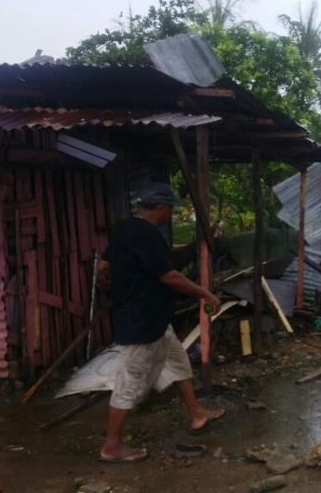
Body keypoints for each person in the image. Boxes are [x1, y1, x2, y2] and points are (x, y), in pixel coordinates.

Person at [97, 182, 225, 463]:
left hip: (152, 319)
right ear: (161, 207)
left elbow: (103, 266)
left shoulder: (124, 230)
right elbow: (168, 275)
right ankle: (111, 445)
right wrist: (205, 293)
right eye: (170, 209)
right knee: (130, 381)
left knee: (178, 362)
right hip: (141, 323)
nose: (171, 214)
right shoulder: (147, 234)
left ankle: (197, 414)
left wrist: (121, 281)